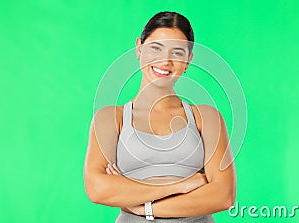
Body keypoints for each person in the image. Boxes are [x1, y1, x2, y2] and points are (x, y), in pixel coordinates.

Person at [83, 11, 236, 222]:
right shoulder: (110, 118)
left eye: (177, 53)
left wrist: (141, 207)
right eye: (156, 48)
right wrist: (179, 185)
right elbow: (97, 188)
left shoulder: (206, 117)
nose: (165, 61)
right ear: (139, 48)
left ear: (188, 61)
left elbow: (223, 195)